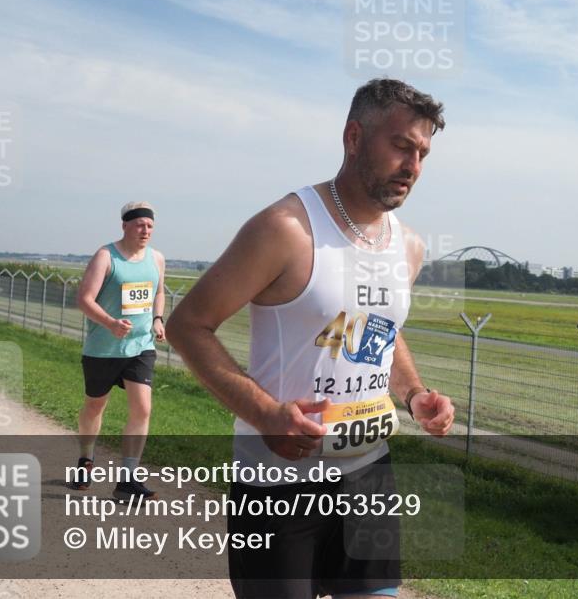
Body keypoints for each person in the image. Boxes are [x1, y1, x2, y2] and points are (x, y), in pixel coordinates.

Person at [167, 79, 456, 599]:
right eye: (400, 146)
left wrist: (414, 393)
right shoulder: (286, 228)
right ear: (353, 138)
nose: (413, 166)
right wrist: (264, 414)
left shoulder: (408, 246)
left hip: (369, 475)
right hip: (278, 486)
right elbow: (188, 324)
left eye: (423, 153)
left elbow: (380, 332)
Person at [69, 201, 166, 502]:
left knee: (143, 409)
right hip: (103, 348)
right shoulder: (106, 256)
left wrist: (157, 318)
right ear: (125, 225)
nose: (145, 230)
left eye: (150, 225)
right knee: (95, 406)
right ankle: (86, 459)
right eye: (139, 224)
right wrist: (110, 323)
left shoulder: (157, 259)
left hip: (140, 346)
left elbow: (158, 291)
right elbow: (85, 299)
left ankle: (128, 479)